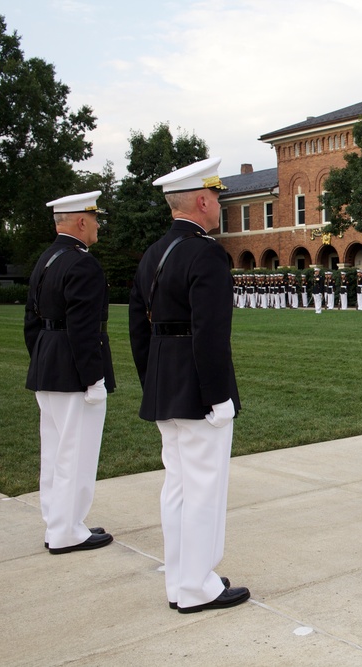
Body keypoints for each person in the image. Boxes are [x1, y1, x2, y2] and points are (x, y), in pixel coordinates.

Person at [128, 157, 249, 613]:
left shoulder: (153, 252)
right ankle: (198, 586)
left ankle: (181, 581)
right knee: (202, 488)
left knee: (177, 487)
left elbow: (139, 327)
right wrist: (218, 396)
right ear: (202, 199)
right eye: (216, 196)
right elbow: (211, 334)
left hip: (165, 381)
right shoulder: (205, 253)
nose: (219, 204)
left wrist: (151, 380)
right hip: (198, 388)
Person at [24, 190, 115, 555]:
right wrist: (93, 377)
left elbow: (32, 322)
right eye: (95, 219)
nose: (97, 226)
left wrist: (42, 358)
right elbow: (84, 328)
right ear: (81, 221)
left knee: (56, 451)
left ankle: (59, 523)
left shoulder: (47, 259)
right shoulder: (82, 263)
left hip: (48, 365)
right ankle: (67, 531)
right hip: (73, 371)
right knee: (75, 453)